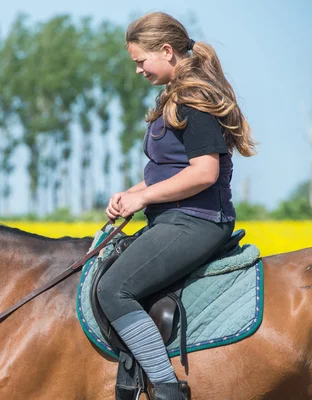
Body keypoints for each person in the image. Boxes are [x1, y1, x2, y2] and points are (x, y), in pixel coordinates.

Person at [97, 11, 257, 400]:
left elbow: (204, 172)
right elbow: (169, 169)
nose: (138, 70)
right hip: (176, 218)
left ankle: (168, 389)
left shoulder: (194, 98)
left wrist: (144, 196)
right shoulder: (172, 95)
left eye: (140, 61)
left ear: (166, 51)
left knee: (114, 289)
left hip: (198, 220)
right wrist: (131, 193)